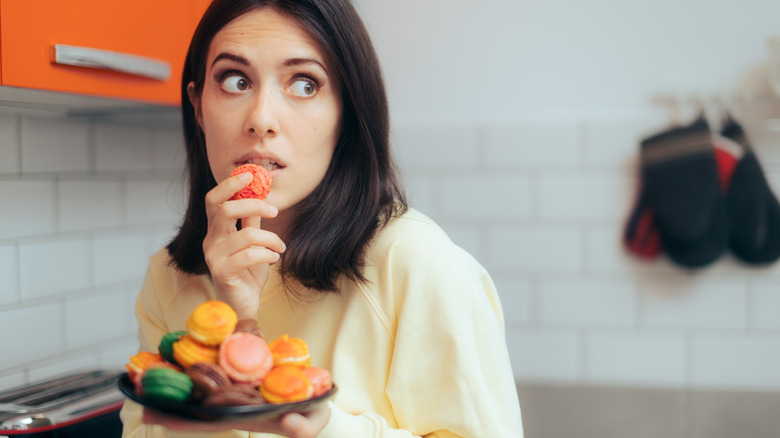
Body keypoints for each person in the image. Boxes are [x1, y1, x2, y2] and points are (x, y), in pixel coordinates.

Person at [120, 0, 524, 436]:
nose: (261, 119)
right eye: (236, 81)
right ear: (198, 106)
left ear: (346, 112)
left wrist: (326, 428)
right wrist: (239, 327)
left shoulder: (415, 263)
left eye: (305, 84)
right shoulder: (167, 277)